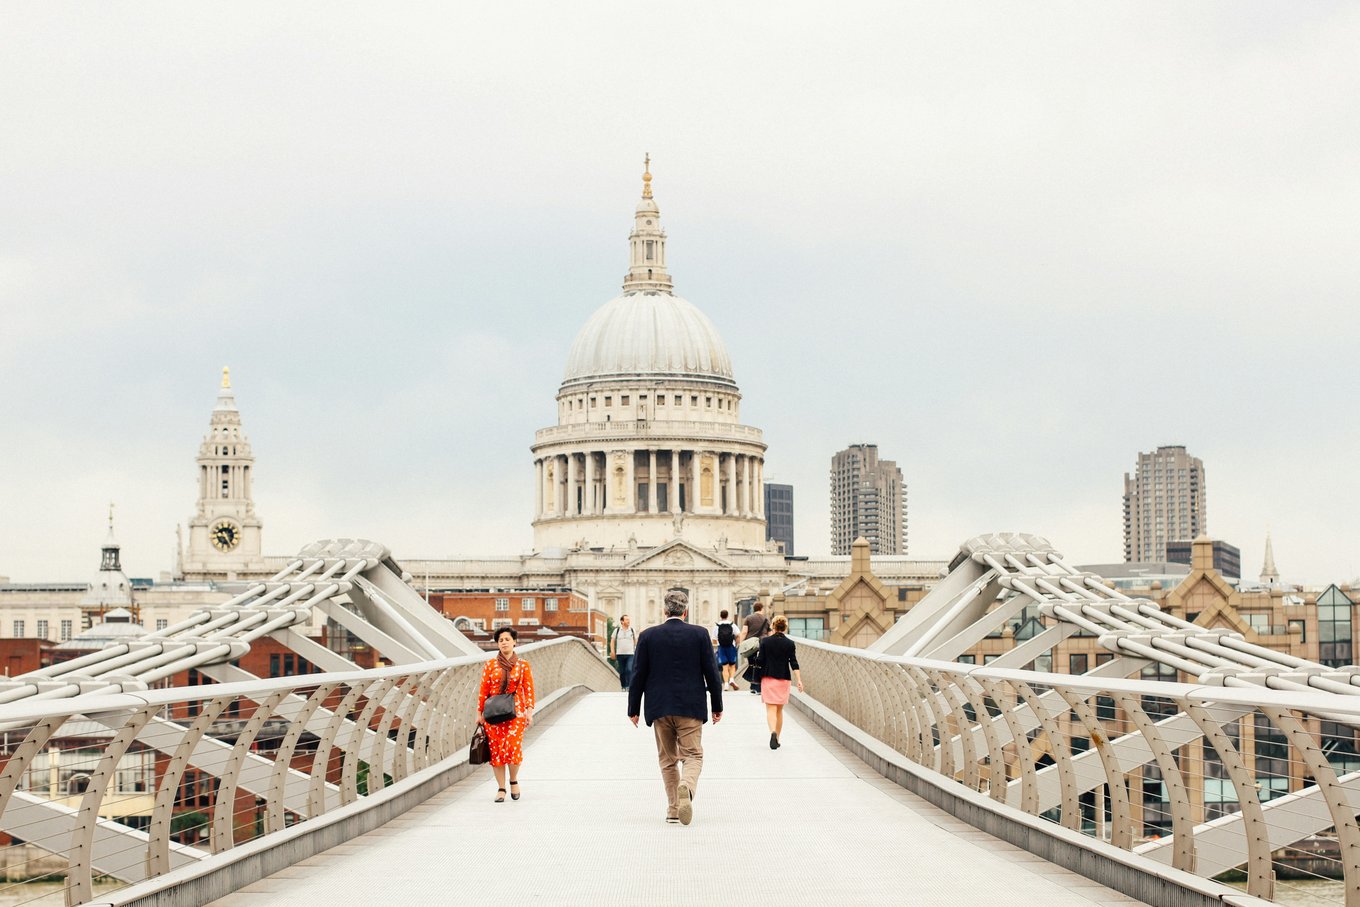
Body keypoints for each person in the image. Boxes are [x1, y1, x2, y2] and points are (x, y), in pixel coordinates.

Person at [627, 590, 723, 825]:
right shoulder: (700, 634)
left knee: (668, 759)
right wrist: (717, 705)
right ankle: (686, 787)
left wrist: (633, 708)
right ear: (685, 611)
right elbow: (712, 673)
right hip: (691, 706)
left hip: (659, 706)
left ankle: (673, 809)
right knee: (693, 756)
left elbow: (638, 674)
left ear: (664, 610)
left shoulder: (648, 636)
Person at [476, 627, 536, 802]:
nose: (504, 643)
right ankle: (501, 788)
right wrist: (479, 713)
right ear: (497, 644)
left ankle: (514, 780)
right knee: (496, 751)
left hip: (516, 711)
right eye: (500, 640)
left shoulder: (523, 665)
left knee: (513, 747)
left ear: (514, 642)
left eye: (507, 639)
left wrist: (529, 712)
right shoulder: (490, 665)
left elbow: (529, 689)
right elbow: (483, 690)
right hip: (493, 713)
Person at [757, 615, 803, 749]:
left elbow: (760, 660)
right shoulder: (790, 643)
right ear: (785, 627)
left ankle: (772, 732)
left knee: (770, 709)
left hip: (768, 677)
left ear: (773, 626)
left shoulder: (765, 642)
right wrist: (799, 680)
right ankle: (777, 738)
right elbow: (794, 663)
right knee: (779, 710)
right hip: (783, 678)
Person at [738, 602, 771, 695]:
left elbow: (744, 632)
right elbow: (770, 634)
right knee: (761, 665)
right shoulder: (766, 619)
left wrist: (741, 643)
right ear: (762, 608)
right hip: (763, 644)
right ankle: (759, 687)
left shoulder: (748, 618)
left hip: (751, 645)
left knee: (752, 664)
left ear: (754, 608)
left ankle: (753, 687)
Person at [609, 614, 637, 691]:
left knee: (629, 669)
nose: (629, 621)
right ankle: (623, 686)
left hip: (630, 654)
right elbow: (612, 641)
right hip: (620, 654)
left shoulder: (632, 630)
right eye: (627, 620)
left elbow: (635, 641)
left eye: (629, 619)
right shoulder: (617, 630)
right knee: (622, 671)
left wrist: (636, 649)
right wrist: (612, 651)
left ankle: (628, 686)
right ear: (622, 621)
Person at [714, 609, 739, 691]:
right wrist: (737, 643)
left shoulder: (717, 626)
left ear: (720, 616)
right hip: (731, 646)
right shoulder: (732, 624)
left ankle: (726, 684)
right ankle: (731, 679)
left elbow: (714, 639)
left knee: (725, 666)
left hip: (721, 647)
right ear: (727, 616)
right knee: (732, 665)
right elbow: (738, 635)